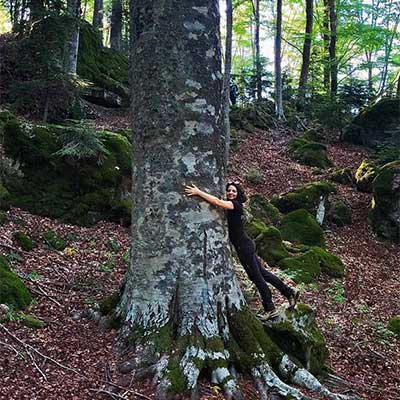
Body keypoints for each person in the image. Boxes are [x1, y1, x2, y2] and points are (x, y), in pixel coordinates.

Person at [184, 182, 299, 319]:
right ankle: (289, 292)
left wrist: (198, 192)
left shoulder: (235, 205)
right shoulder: (232, 205)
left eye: (234, 191)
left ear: (238, 194)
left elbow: (216, 201)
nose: (231, 193)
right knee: (264, 274)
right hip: (246, 245)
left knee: (256, 277)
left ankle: (270, 308)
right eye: (229, 191)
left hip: (244, 247)